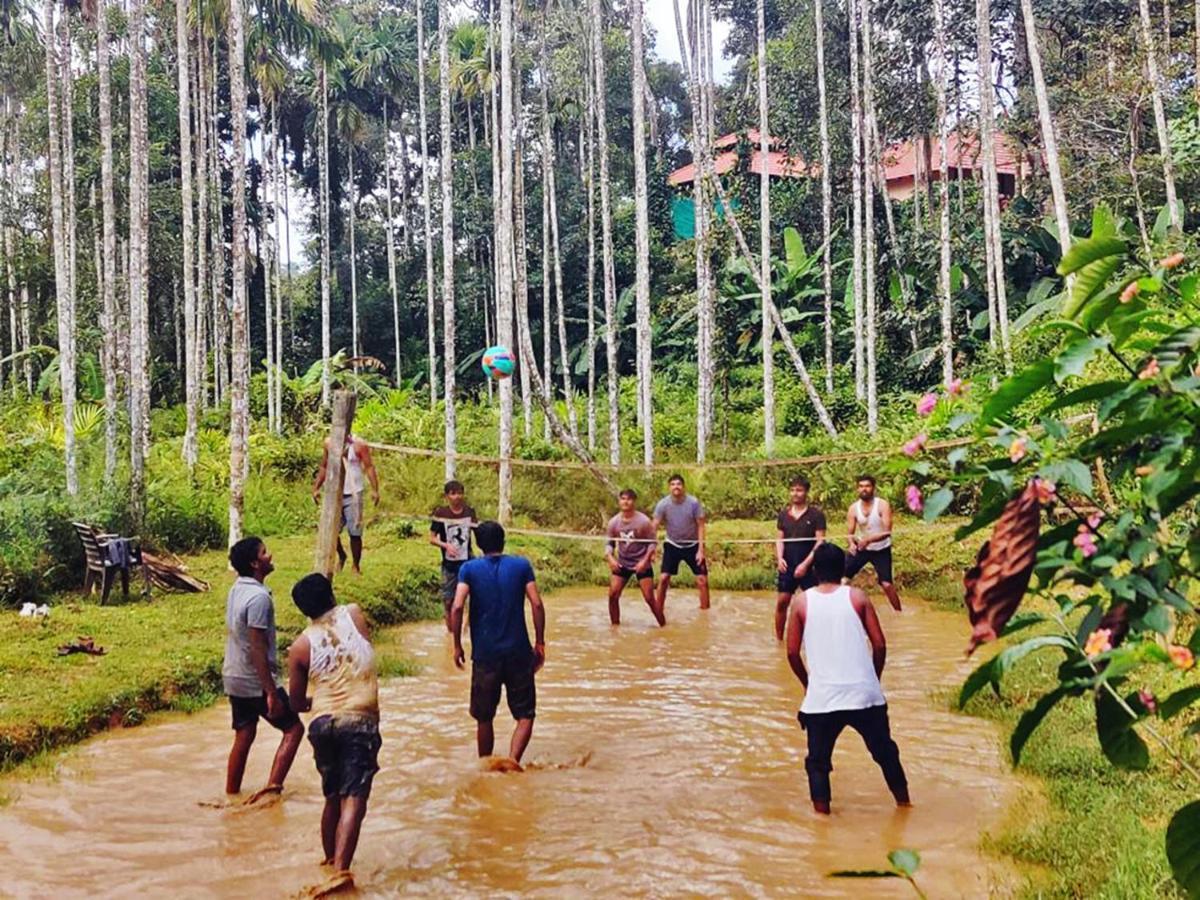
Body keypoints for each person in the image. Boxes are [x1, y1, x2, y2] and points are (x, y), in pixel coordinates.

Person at [785, 542, 910, 815]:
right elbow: (879, 645)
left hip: (822, 700)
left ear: (815, 570)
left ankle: (823, 823)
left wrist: (809, 686)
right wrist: (873, 679)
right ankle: (904, 805)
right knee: (885, 753)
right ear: (842, 568)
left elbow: (792, 653)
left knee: (818, 764)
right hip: (864, 695)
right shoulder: (858, 597)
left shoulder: (801, 602)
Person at [287, 573, 381, 895]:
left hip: (322, 723)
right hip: (359, 719)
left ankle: (329, 860)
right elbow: (363, 652)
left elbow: (296, 702)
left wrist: (320, 702)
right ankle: (341, 873)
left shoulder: (299, 646)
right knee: (354, 797)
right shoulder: (354, 614)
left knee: (331, 797)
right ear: (331, 593)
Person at [450, 521, 546, 765]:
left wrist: (457, 644)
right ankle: (513, 761)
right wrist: (540, 642)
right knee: (525, 715)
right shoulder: (521, 565)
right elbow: (536, 603)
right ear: (503, 541)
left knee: (484, 717)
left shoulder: (469, 570)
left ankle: (486, 767)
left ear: (479, 544)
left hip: (485, 655)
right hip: (518, 652)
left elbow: (458, 605)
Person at [222, 537, 304, 801]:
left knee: (244, 733)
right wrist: (270, 691)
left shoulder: (237, 589)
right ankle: (272, 789)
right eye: (265, 552)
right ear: (255, 563)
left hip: (234, 675)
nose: (270, 555)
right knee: (294, 729)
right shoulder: (259, 598)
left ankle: (231, 794)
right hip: (254, 679)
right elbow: (256, 647)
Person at [312, 432, 381, 575]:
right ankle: (341, 555)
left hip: (353, 493)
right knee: (331, 530)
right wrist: (316, 487)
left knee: (355, 532)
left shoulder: (359, 445)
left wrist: (375, 490)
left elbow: (369, 466)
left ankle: (356, 565)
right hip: (333, 493)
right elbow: (324, 466)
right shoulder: (328, 443)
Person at [774, 477, 826, 640]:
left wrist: (805, 564)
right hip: (788, 563)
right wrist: (779, 558)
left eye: (799, 490)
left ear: (806, 492)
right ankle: (779, 640)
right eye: (793, 490)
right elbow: (779, 539)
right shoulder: (784, 515)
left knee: (814, 604)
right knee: (782, 602)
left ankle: (816, 638)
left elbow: (820, 542)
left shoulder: (816, 515)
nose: (795, 494)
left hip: (810, 566)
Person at [606, 489, 664, 627]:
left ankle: (663, 625)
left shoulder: (643, 521)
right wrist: (610, 557)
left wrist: (645, 561)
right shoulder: (614, 522)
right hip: (623, 562)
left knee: (649, 598)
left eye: (629, 499)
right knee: (613, 595)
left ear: (634, 502)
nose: (626, 502)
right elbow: (609, 543)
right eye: (623, 499)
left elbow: (652, 542)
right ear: (619, 501)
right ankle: (615, 627)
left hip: (641, 562)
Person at [653, 474, 710, 612]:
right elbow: (654, 526)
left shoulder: (693, 503)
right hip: (672, 544)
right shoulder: (663, 504)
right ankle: (658, 610)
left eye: (678, 484)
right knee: (664, 578)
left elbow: (701, 525)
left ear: (683, 487)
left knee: (702, 580)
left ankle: (705, 613)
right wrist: (651, 549)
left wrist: (701, 550)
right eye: (673, 484)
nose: (676, 487)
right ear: (669, 488)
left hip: (693, 545)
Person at [845, 475, 902, 612]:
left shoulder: (882, 505)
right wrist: (851, 544)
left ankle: (898, 612)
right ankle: (844, 610)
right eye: (861, 486)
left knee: (887, 585)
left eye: (867, 486)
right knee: (842, 579)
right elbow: (849, 533)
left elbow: (887, 532)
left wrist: (869, 540)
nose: (864, 489)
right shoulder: (853, 508)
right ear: (857, 489)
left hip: (881, 549)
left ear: (873, 488)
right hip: (861, 548)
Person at [429, 480, 478, 630]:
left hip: (468, 561)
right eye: (453, 493)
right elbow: (431, 538)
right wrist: (446, 546)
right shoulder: (441, 513)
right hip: (449, 563)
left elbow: (478, 533)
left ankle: (466, 628)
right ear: (447, 496)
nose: (457, 497)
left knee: (474, 596)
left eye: (460, 493)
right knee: (448, 600)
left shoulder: (469, 512)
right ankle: (450, 632)